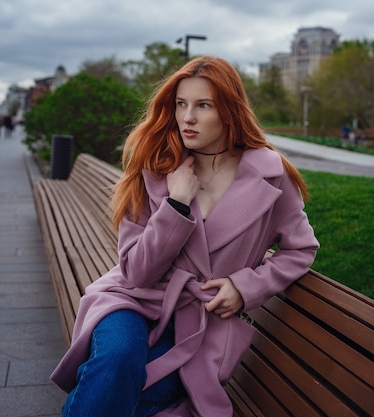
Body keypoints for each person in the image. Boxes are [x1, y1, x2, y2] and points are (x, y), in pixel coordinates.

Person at [51, 55, 320, 417]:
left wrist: (245, 288)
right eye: (181, 104)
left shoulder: (271, 176)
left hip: (199, 322)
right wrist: (175, 204)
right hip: (133, 300)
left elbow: (300, 249)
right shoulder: (157, 164)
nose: (187, 117)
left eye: (203, 105)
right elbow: (135, 272)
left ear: (228, 110)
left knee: (144, 387)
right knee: (117, 360)